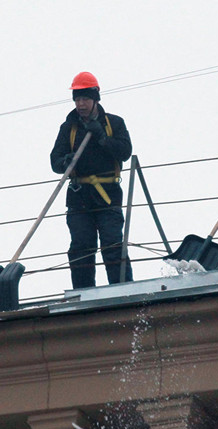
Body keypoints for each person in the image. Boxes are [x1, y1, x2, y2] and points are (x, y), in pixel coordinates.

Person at [50, 72, 133, 288]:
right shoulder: (68, 128)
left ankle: (123, 290)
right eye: (77, 99)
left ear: (95, 98)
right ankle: (84, 294)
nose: (81, 104)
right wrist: (66, 161)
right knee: (81, 246)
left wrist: (103, 138)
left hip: (108, 196)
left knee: (112, 243)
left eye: (85, 99)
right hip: (79, 197)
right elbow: (54, 162)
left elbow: (124, 152)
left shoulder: (114, 123)